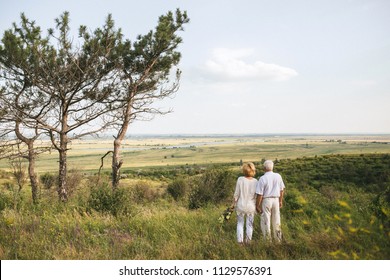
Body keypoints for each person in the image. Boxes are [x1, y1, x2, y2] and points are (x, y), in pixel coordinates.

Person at [256, 160, 285, 243]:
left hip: (266, 200)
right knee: (276, 220)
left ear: (264, 168)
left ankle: (268, 241)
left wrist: (257, 205)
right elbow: (281, 190)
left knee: (266, 220)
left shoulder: (262, 178)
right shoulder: (278, 176)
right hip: (276, 199)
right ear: (272, 167)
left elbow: (260, 194)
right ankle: (278, 240)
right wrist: (280, 201)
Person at [231, 162, 258, 245]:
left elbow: (236, 194)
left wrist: (233, 204)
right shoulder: (256, 181)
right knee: (250, 224)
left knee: (240, 223)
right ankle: (248, 241)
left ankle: (240, 242)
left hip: (241, 205)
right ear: (253, 171)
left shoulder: (240, 179)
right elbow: (256, 195)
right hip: (251, 206)